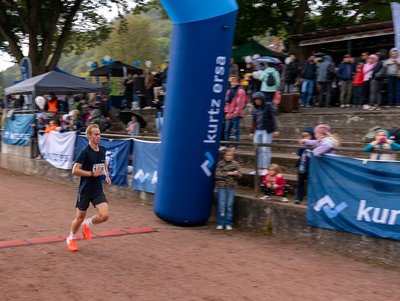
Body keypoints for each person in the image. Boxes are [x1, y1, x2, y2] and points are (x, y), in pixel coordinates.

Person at [66, 124, 112, 252]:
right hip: (85, 191)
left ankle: (88, 224)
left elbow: (104, 163)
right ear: (89, 136)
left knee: (105, 215)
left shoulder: (102, 149)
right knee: (79, 217)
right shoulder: (85, 152)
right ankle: (71, 238)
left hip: (97, 190)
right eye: (96, 134)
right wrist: (92, 174)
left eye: (99, 134)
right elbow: (74, 170)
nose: (99, 136)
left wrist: (107, 176)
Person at [249, 92, 279, 175]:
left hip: (267, 130)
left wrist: (275, 129)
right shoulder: (254, 109)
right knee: (257, 149)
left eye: (258, 99)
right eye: (255, 99)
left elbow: (273, 118)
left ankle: (266, 168)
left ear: (262, 99)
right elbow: (253, 121)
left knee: (265, 149)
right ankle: (258, 168)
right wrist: (251, 131)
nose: (257, 101)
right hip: (257, 131)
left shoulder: (268, 105)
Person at [214, 148, 241, 230]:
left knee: (229, 205)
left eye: (231, 155)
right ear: (224, 155)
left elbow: (240, 176)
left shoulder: (236, 164)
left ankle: (228, 222)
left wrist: (236, 174)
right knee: (221, 205)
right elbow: (217, 174)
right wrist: (229, 173)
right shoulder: (220, 163)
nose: (229, 157)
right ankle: (220, 222)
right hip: (222, 187)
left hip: (231, 187)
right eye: (227, 155)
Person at [224, 76, 247, 147]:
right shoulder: (228, 91)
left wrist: (235, 113)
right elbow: (227, 102)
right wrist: (227, 112)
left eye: (234, 80)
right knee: (226, 130)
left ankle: (236, 145)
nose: (232, 82)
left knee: (235, 130)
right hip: (229, 113)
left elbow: (240, 104)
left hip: (236, 114)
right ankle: (226, 144)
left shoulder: (241, 91)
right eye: (231, 81)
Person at [294, 127, 314, 204]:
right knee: (300, 183)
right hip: (301, 167)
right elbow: (298, 153)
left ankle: (310, 199)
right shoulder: (303, 146)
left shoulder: (314, 146)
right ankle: (298, 198)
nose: (306, 138)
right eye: (304, 137)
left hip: (310, 168)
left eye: (308, 136)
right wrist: (301, 146)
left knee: (310, 184)